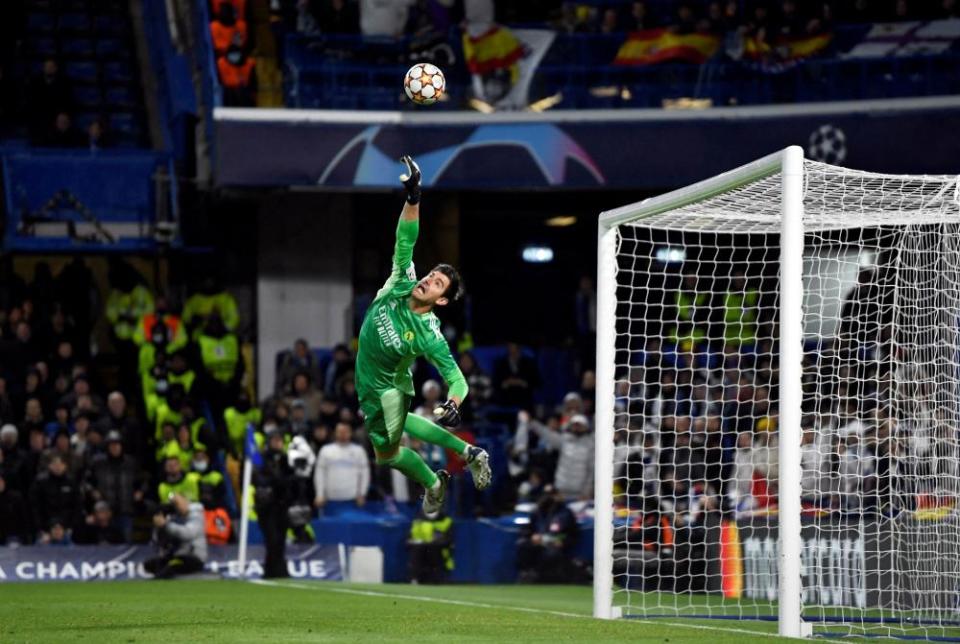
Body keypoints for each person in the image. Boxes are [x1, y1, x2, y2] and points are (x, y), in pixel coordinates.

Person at [353, 156, 491, 518]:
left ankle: (433, 483)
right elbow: (405, 238)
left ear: (441, 300)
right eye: (431, 274)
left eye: (438, 283)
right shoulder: (401, 280)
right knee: (400, 429)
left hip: (384, 388)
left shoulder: (430, 334)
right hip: (381, 382)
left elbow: (456, 377)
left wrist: (455, 402)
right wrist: (413, 198)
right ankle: (467, 454)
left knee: (388, 454)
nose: (428, 279)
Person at [144, 492, 208, 579]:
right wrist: (159, 526)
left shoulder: (196, 515)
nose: (177, 506)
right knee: (151, 565)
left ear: (186, 500)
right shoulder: (174, 517)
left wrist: (166, 524)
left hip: (194, 556)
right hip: (177, 555)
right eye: (174, 504)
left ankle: (156, 585)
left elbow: (188, 533)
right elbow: (158, 540)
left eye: (178, 503)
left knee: (172, 567)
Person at [313, 422, 370, 509]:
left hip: (353, 499)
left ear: (350, 433)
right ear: (335, 433)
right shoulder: (325, 450)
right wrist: (319, 494)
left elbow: (365, 474)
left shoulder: (359, 451)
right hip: (330, 499)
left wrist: (362, 494)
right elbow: (319, 474)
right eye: (340, 431)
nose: (343, 434)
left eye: (346, 431)